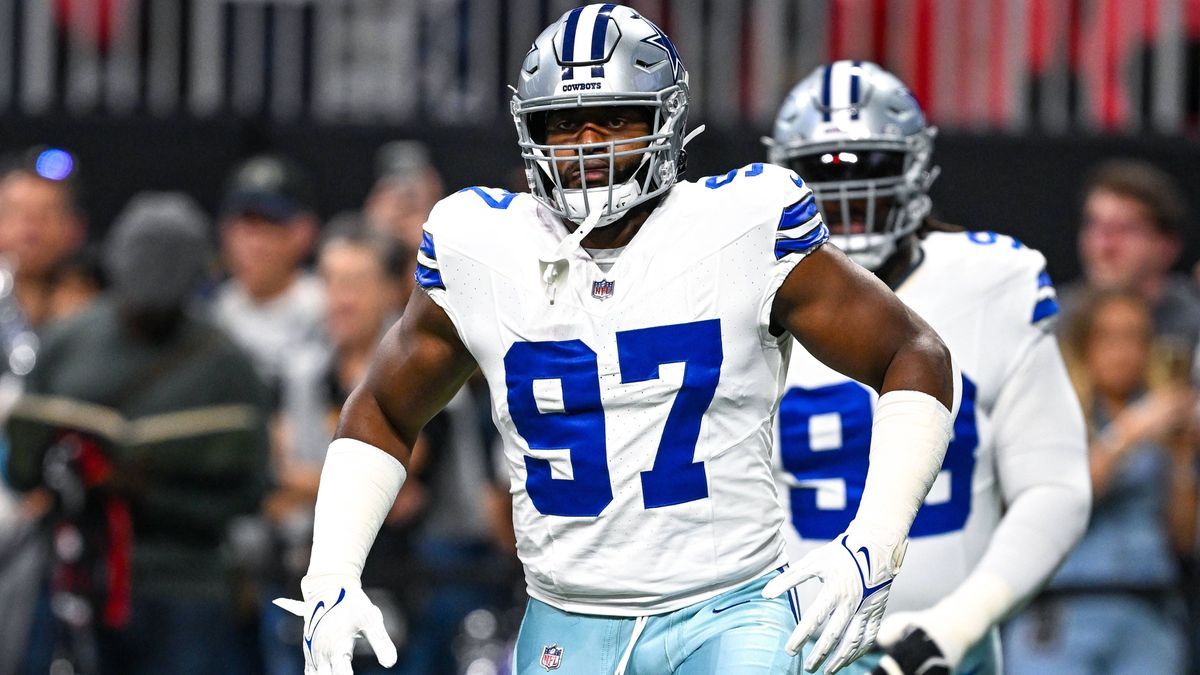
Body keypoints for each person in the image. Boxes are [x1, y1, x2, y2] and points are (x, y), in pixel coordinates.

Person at [276, 6, 959, 674]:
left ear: (667, 119)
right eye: (565, 123)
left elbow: (914, 355)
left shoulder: (741, 225)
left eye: (618, 119)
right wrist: (333, 570)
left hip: (729, 608)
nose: (590, 143)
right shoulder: (480, 245)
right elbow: (384, 411)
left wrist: (875, 540)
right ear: (530, 132)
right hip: (565, 616)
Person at [764, 61, 1091, 675]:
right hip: (788, 647)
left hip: (951, 650)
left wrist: (954, 626)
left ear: (916, 169)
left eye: (873, 167)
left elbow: (1055, 488)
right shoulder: (747, 285)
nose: (849, 196)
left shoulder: (991, 281)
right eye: (824, 172)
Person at [4, 193, 271, 674]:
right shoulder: (69, 343)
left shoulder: (226, 363)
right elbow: (23, 465)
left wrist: (147, 492)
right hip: (76, 575)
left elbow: (251, 490)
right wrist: (74, 476)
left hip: (185, 580)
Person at [1003, 290, 1196, 675]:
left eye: (1137, 337)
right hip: (1063, 611)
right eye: (1110, 337)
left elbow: (1183, 540)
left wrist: (1183, 458)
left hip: (1149, 611)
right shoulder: (1050, 410)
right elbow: (1058, 501)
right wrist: (1129, 432)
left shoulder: (1157, 416)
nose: (1125, 351)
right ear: (1083, 343)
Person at [212, 154, 325, 404]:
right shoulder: (211, 313)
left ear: (303, 232)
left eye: (268, 226)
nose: (251, 243)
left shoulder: (331, 309)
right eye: (243, 225)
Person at [1062, 160, 1199, 352]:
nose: (1104, 246)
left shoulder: (1194, 328)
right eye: (1094, 225)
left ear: (1167, 248)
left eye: (1124, 229)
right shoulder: (1052, 323)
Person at [0, 147, 85, 328]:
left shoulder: (91, 313)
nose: (30, 233)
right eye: (16, 214)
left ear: (74, 229)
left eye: (45, 216)